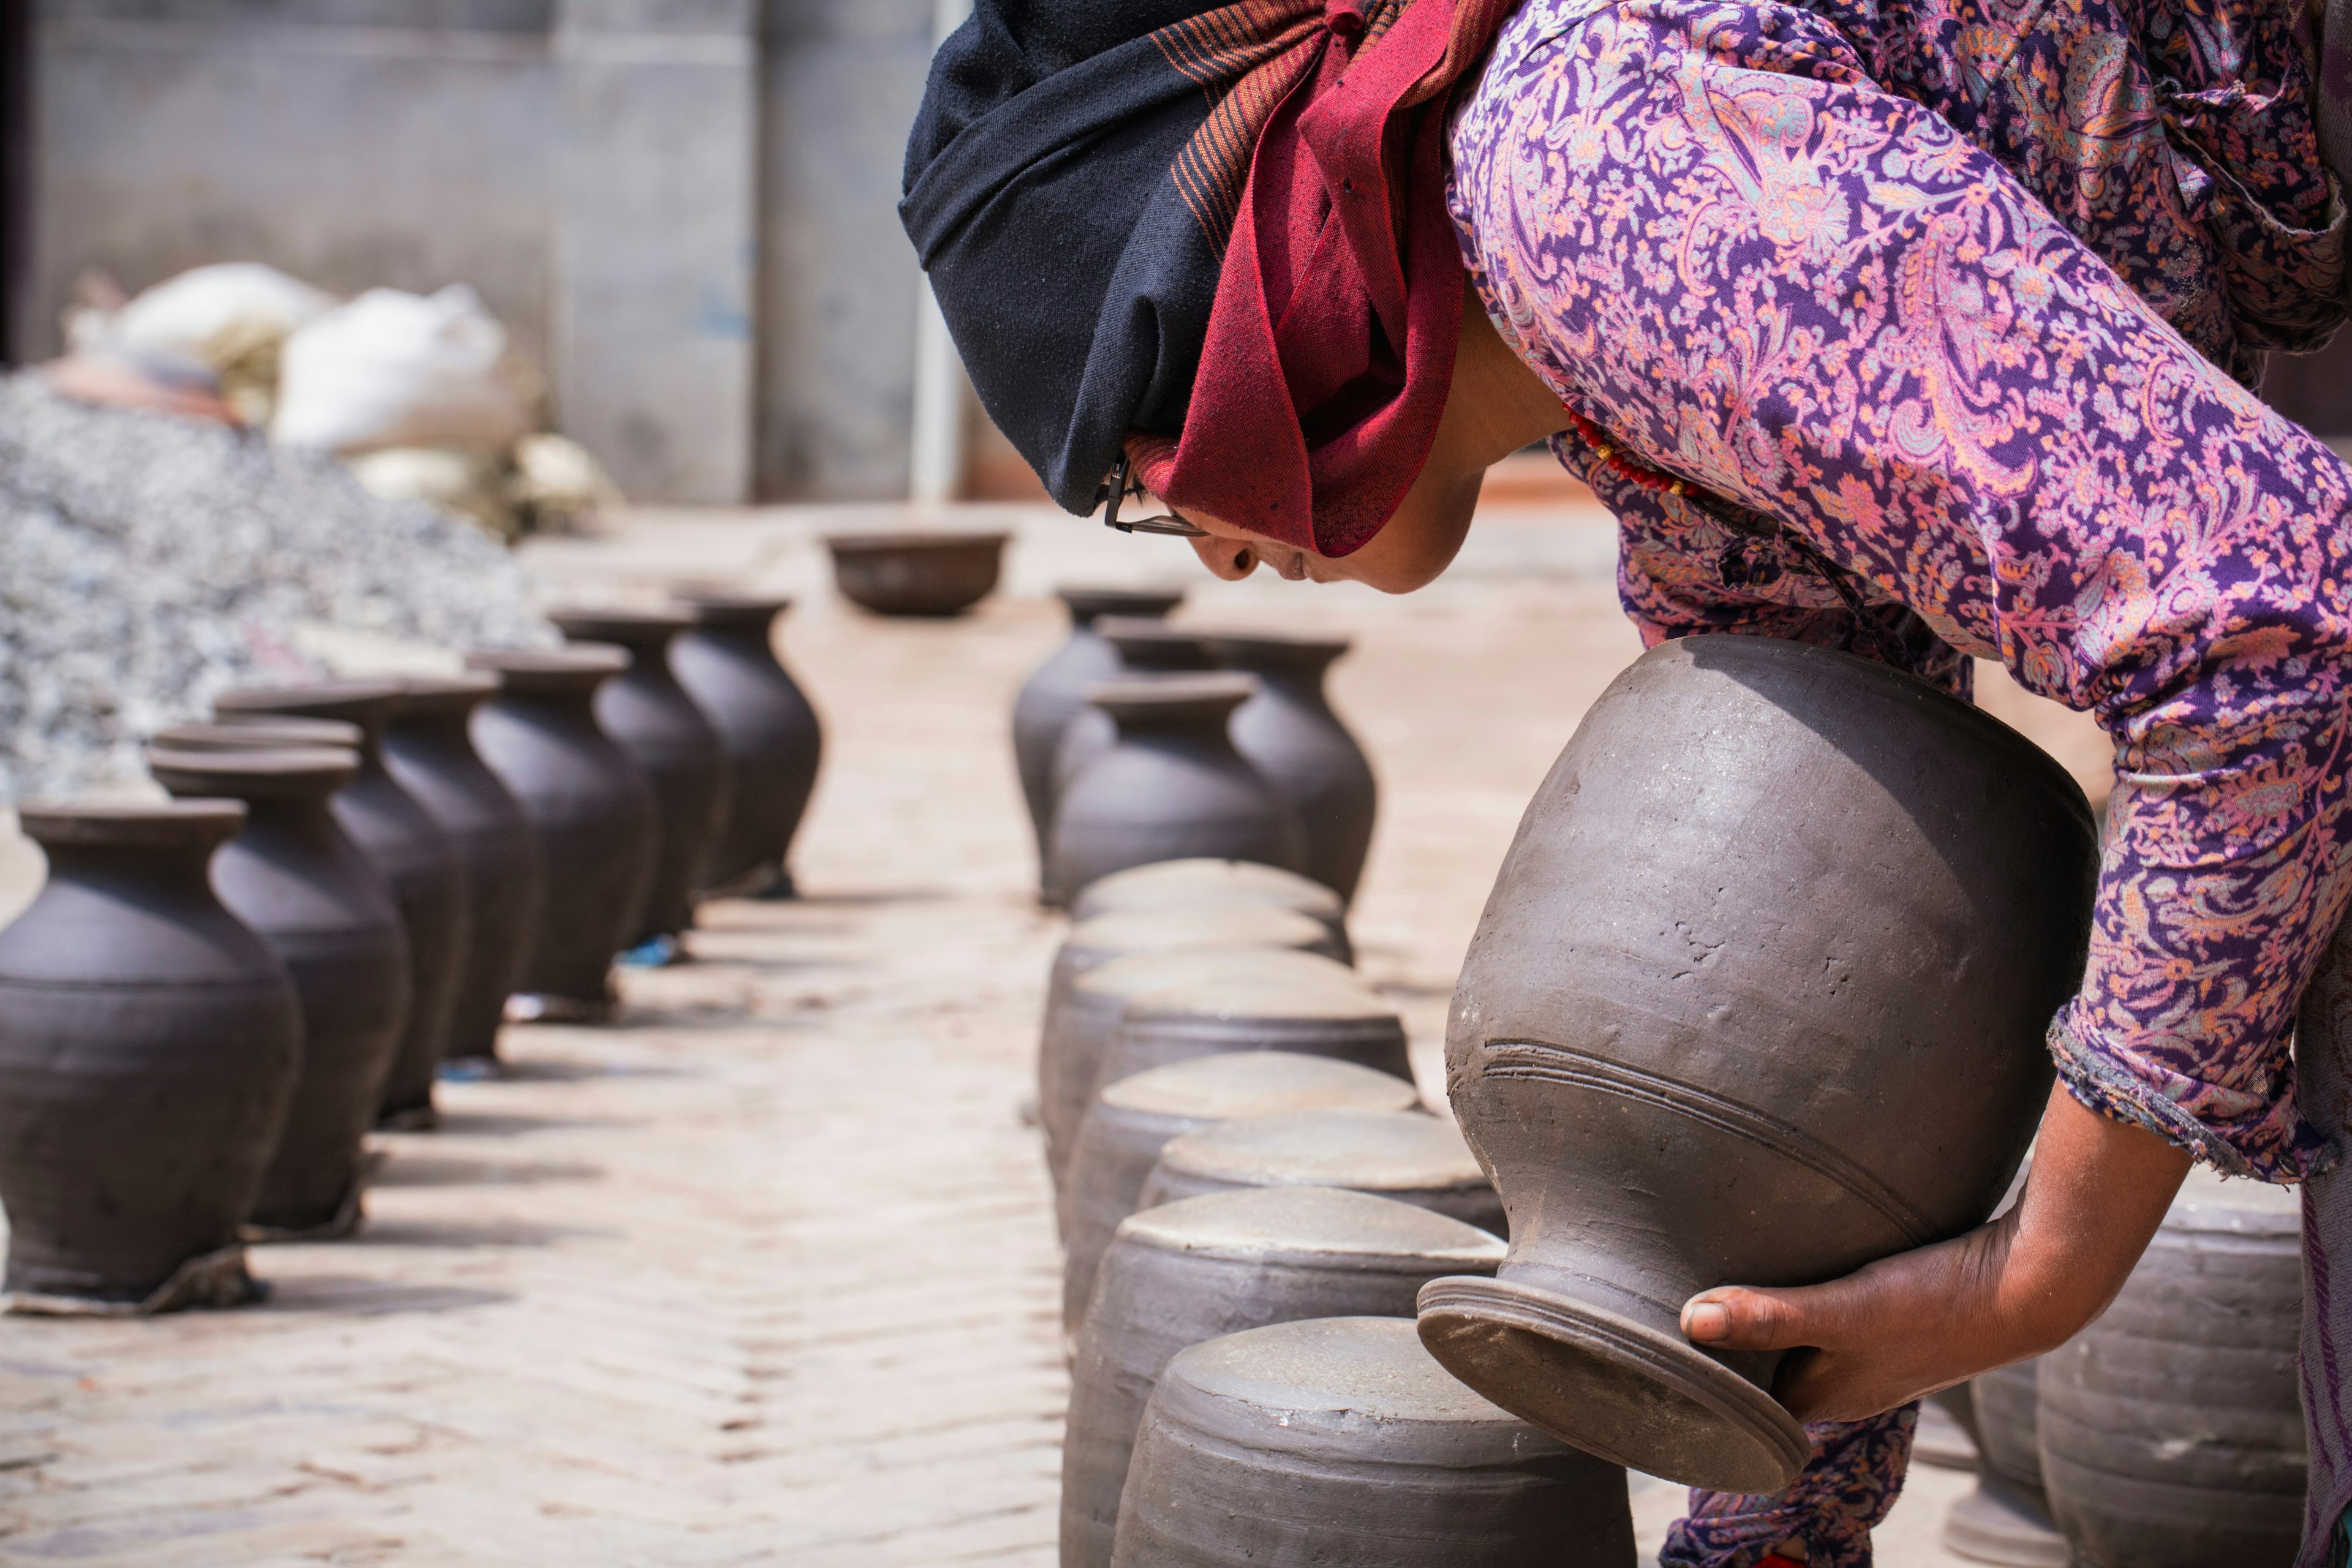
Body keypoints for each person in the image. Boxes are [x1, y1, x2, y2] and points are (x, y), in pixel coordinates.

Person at [905, 0, 2352, 1562]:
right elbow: (1858, 998)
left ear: (1258, 278)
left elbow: (2274, 644)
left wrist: (2045, 1265)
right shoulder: (1637, 416)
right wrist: (1764, 1527)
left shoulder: (1584, 172)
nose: (1222, 552)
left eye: (1149, 469)